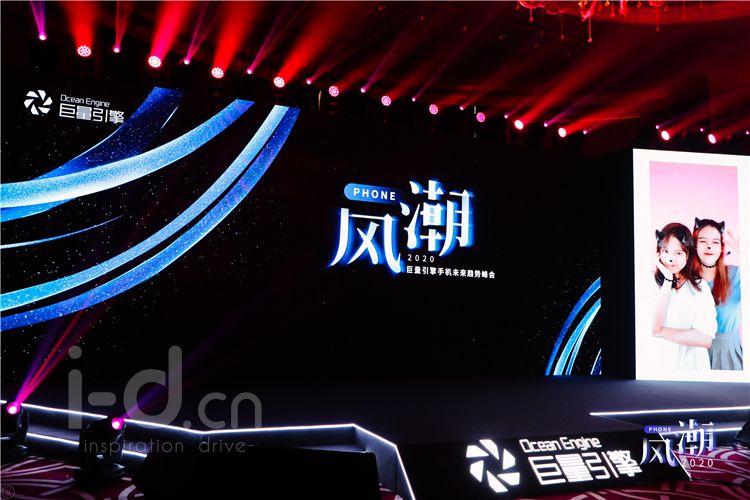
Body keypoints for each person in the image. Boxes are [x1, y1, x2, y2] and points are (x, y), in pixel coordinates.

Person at [652, 222, 717, 370]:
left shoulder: (700, 287)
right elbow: (652, 326)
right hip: (659, 366)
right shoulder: (650, 283)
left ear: (688, 255)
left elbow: (705, 339)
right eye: (666, 251)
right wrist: (668, 281)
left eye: (678, 253)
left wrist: (661, 332)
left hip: (692, 367)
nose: (671, 258)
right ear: (659, 252)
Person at [693, 218, 743, 370]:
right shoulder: (686, 279)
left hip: (730, 352)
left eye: (715, 242)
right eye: (703, 241)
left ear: (722, 247)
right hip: (696, 355)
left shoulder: (737, 274)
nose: (709, 246)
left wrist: (745, 255)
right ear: (694, 245)